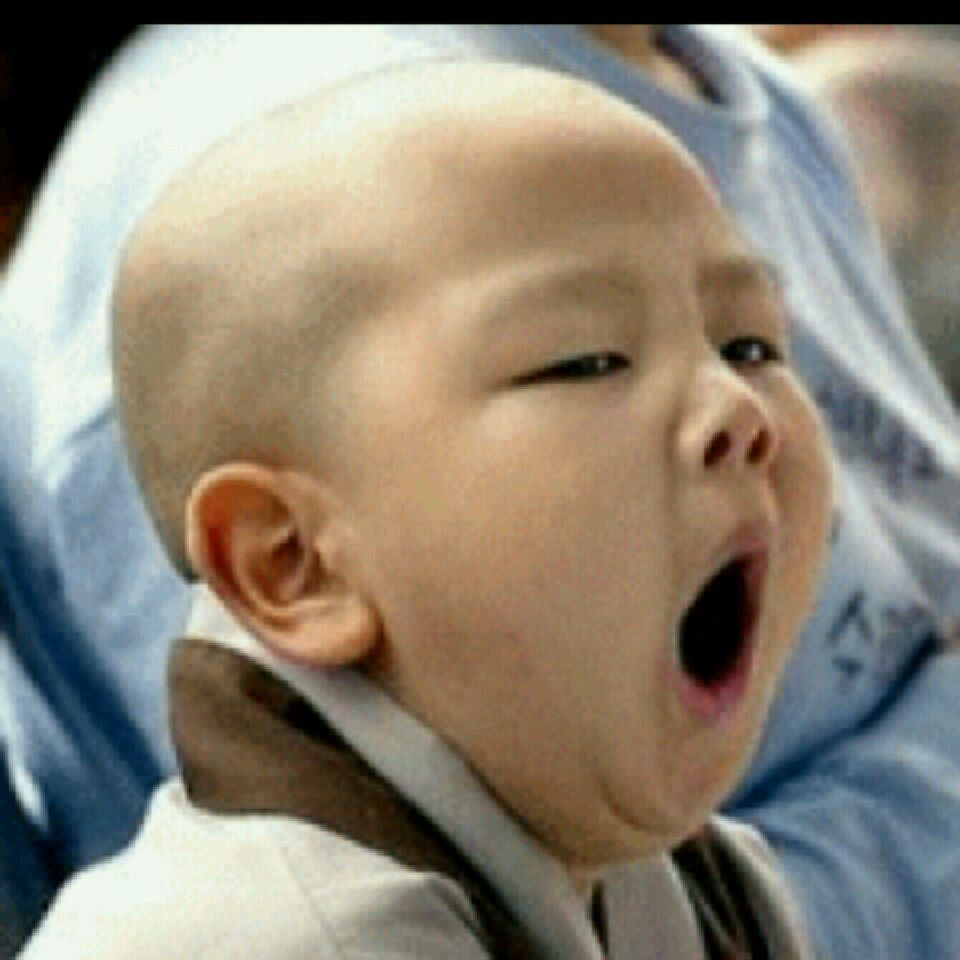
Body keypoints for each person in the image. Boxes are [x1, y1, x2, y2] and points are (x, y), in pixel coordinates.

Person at [2, 25, 959, 959]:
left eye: (750, 346)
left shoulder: (680, 874)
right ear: (295, 563)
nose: (737, 410)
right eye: (586, 362)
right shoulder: (292, 937)